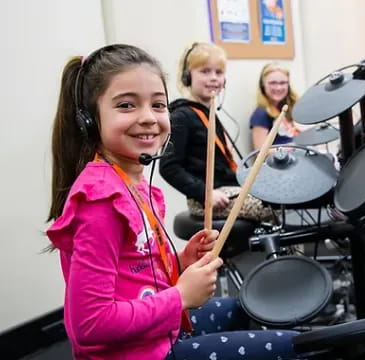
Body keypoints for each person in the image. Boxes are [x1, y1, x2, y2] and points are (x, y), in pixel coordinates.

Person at [46, 44, 298, 360]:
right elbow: (90, 324)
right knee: (293, 348)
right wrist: (179, 296)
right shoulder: (101, 200)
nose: (149, 117)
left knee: (240, 308)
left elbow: (134, 272)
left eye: (158, 104)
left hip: (155, 334)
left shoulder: (136, 186)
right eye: (126, 105)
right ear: (90, 120)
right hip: (136, 354)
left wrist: (180, 262)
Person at [159, 42, 274, 222]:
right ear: (187, 77)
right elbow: (169, 167)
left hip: (229, 189)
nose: (213, 78)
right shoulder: (181, 116)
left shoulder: (210, 112)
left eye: (218, 73)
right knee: (275, 207)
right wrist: (206, 193)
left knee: (283, 196)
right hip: (206, 198)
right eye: (205, 71)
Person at [250, 63, 300, 150]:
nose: (278, 88)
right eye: (273, 83)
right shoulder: (260, 114)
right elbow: (260, 153)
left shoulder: (288, 107)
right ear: (263, 85)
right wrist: (293, 148)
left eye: (283, 83)